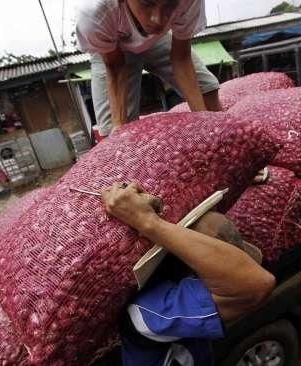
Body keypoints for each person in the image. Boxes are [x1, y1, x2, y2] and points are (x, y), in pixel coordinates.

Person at [101, 182, 276, 365]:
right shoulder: (148, 312)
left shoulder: (181, 283)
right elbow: (258, 285)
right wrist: (147, 221)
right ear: (190, 270)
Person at [76, 0, 222, 137]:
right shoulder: (95, 13)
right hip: (113, 47)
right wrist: (119, 125)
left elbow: (181, 58)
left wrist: (205, 122)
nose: (157, 19)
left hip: (158, 39)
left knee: (206, 93)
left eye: (169, 5)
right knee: (113, 134)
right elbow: (115, 67)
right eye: (147, 3)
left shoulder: (189, 1)